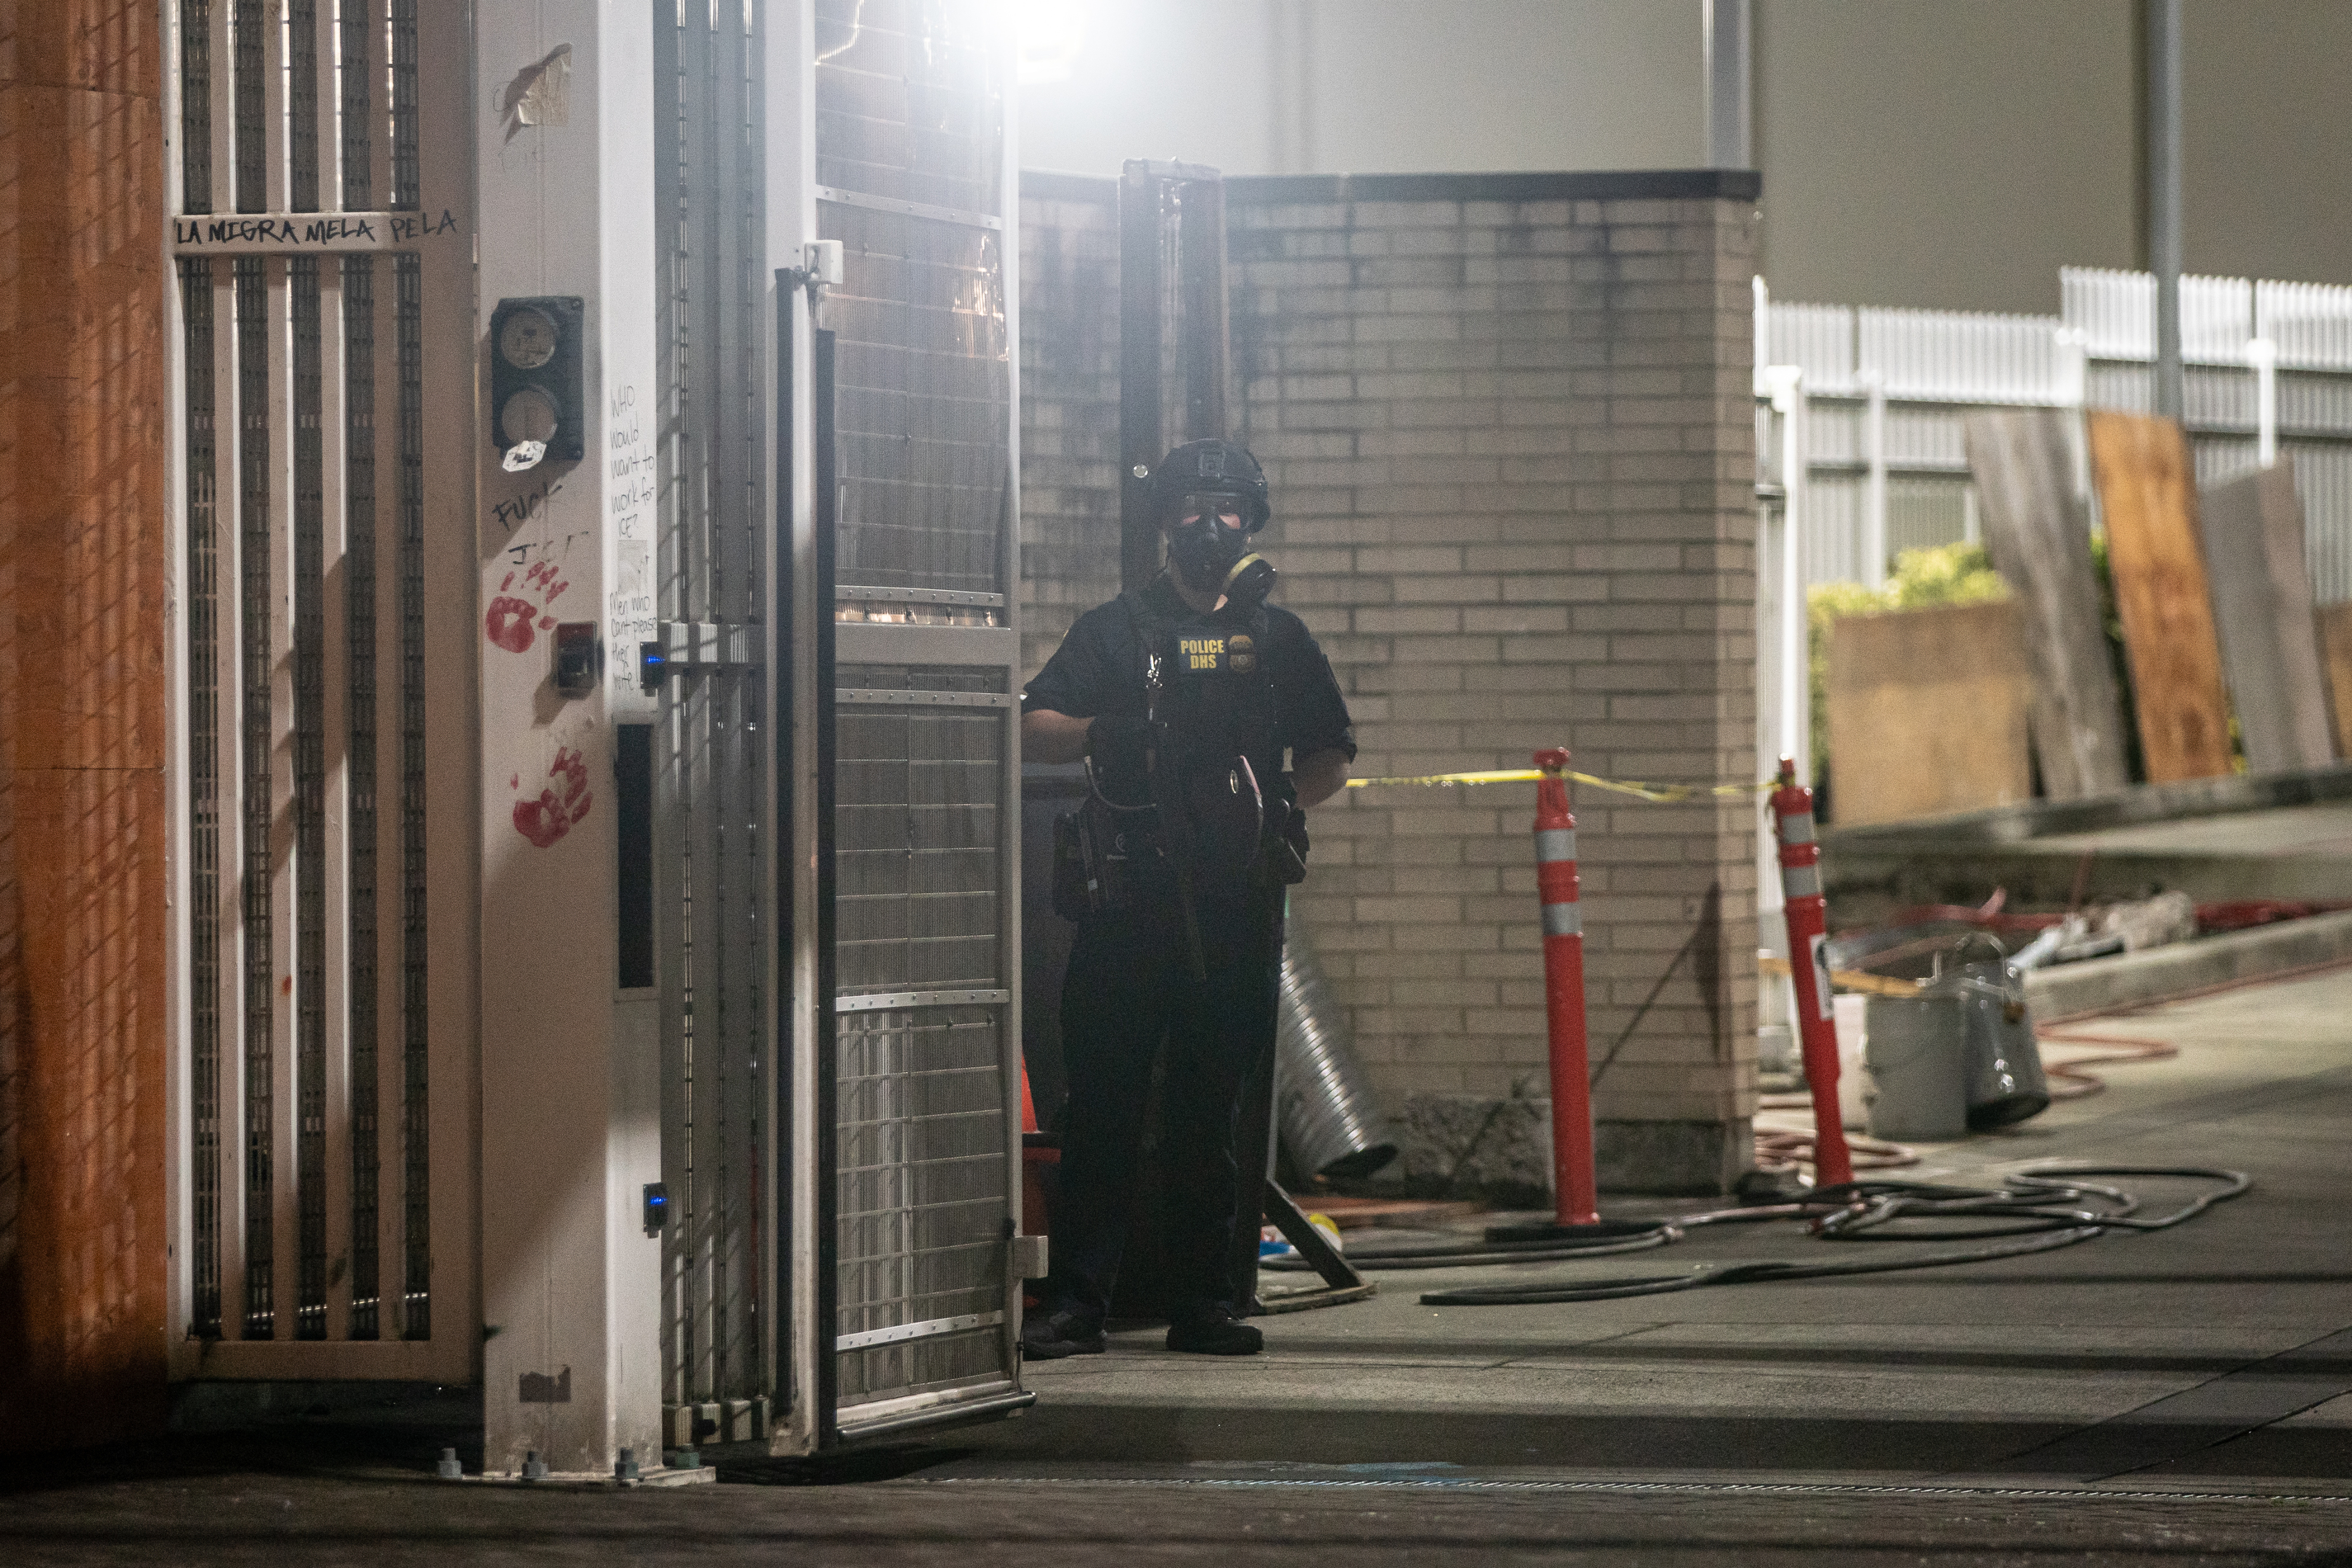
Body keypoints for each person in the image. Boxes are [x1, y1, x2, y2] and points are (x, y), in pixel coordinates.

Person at [1019, 438, 1354, 1358]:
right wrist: (1104, 733)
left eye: (1229, 510)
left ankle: (1208, 1303)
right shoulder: (1113, 631)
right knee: (1105, 1110)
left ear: (1252, 522)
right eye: (1189, 511)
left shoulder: (1278, 639)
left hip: (1232, 909)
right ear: (1162, 524)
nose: (1210, 528)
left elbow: (1330, 749)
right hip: (1128, 907)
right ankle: (1080, 1301)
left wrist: (1278, 809)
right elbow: (1035, 722)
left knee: (1213, 1116)